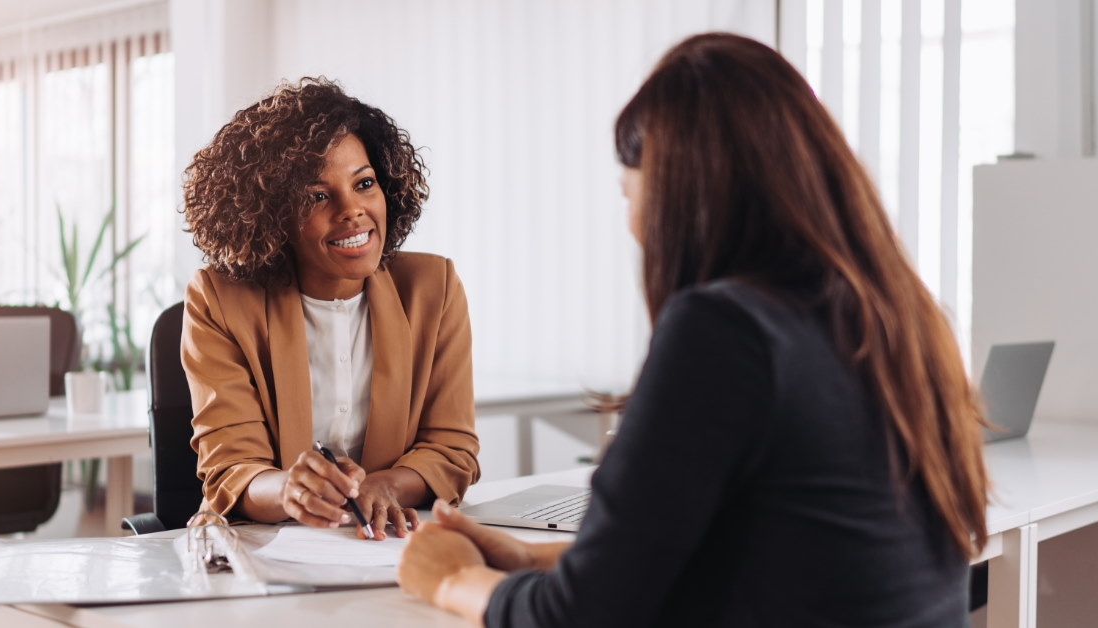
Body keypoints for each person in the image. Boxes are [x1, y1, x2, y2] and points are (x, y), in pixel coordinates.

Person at [397, 32, 988, 625]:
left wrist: (450, 578)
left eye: (630, 192)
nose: (631, 224)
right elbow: (768, 554)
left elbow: (580, 618)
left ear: (681, 194)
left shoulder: (725, 331)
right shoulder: (900, 318)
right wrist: (531, 556)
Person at [180, 77, 479, 540]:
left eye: (364, 183)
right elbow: (232, 468)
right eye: (318, 196)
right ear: (273, 214)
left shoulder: (432, 289)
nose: (352, 210)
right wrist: (288, 490)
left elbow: (451, 449)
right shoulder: (219, 299)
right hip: (261, 552)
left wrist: (386, 486)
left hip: (386, 546)